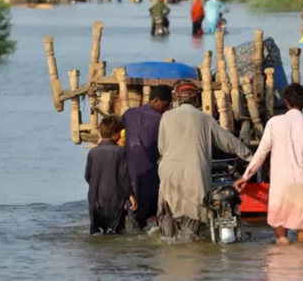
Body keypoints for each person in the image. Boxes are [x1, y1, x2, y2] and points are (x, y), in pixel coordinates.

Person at [156, 81, 253, 241]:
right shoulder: (205, 119)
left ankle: (168, 243)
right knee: (192, 222)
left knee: (168, 215)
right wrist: (250, 156)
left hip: (169, 173)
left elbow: (161, 147)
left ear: (177, 99)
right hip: (195, 174)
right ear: (196, 100)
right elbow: (229, 141)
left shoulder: (166, 117)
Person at [234, 84, 303, 244]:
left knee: (279, 225)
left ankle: (282, 250)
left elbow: (261, 152)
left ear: (286, 102)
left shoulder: (274, 123)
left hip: (282, 182)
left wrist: (246, 176)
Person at [121, 85, 173, 230]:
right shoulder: (161, 120)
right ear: (156, 100)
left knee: (135, 214)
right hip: (151, 172)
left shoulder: (129, 114)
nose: (166, 108)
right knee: (153, 212)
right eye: (165, 104)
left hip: (130, 172)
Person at [84, 116, 138, 235]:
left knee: (97, 233)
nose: (120, 136)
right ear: (114, 134)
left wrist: (97, 186)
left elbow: (87, 176)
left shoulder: (92, 152)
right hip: (114, 199)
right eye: (119, 133)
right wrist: (130, 195)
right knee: (116, 231)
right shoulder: (120, 151)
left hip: (95, 198)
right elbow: (123, 176)